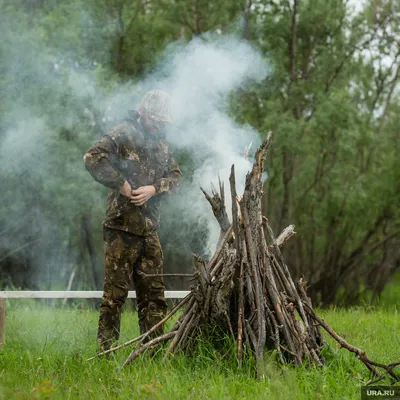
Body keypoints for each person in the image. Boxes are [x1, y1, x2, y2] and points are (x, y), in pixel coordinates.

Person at [83, 90, 181, 351]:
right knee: (114, 297)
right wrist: (121, 184)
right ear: (144, 113)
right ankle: (106, 354)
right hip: (120, 228)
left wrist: (154, 188)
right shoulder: (122, 133)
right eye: (156, 120)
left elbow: (175, 178)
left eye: (163, 121)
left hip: (150, 230)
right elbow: (92, 157)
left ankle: (153, 353)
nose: (160, 125)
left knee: (154, 297)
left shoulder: (163, 144)